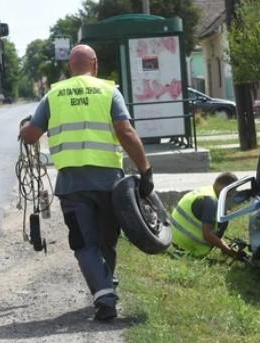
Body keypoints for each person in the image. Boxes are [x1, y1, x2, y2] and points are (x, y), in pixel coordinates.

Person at [20, 44, 154, 321]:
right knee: (107, 239)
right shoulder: (109, 91)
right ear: (95, 65)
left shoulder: (53, 94)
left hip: (72, 186)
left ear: (70, 67)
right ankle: (106, 288)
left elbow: (32, 135)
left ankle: (104, 293)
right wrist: (146, 170)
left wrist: (24, 129)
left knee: (84, 244)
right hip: (109, 184)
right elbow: (126, 132)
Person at [170, 172, 239, 258]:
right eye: (232, 191)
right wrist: (228, 251)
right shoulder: (211, 201)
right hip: (184, 247)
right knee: (223, 218)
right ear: (223, 187)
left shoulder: (207, 191)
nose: (232, 194)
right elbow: (207, 234)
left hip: (172, 239)